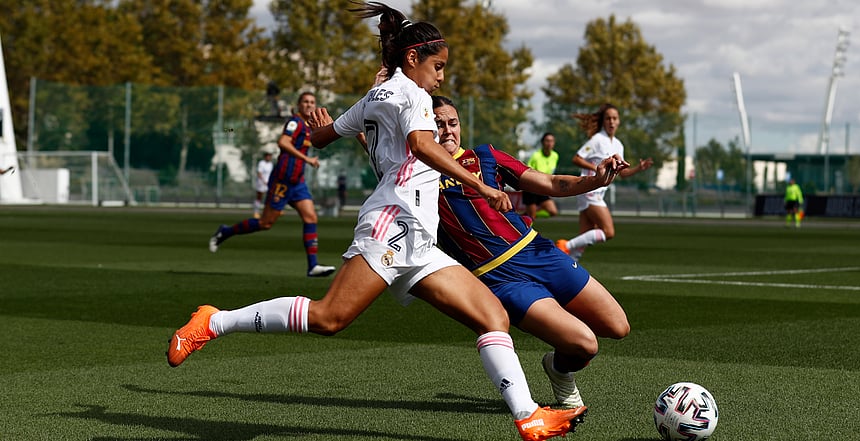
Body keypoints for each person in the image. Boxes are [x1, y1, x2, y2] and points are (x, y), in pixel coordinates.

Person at [167, 4, 585, 440]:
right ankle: (214, 321)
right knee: (330, 317)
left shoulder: (378, 94)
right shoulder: (412, 95)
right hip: (394, 221)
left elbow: (323, 137)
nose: (441, 77)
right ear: (412, 58)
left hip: (418, 237)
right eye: (438, 66)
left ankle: (528, 416)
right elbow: (423, 147)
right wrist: (480, 186)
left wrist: (322, 125)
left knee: (492, 315)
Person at [432, 95, 631, 410]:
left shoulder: (485, 156)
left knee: (618, 327)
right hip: (501, 278)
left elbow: (549, 182)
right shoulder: (416, 175)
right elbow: (383, 158)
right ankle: (561, 371)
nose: (447, 131)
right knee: (585, 343)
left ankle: (557, 364)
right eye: (437, 124)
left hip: (540, 252)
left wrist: (595, 178)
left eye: (452, 123)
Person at [208, 92, 336, 278]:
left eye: (312, 102)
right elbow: (283, 142)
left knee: (311, 218)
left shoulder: (309, 126)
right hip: (282, 180)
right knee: (265, 223)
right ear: (299, 105)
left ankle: (312, 266)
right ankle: (225, 231)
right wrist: (307, 158)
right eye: (305, 102)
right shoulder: (295, 122)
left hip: (298, 181)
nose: (309, 105)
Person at [555, 103, 654, 262]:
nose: (611, 121)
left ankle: (568, 270)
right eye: (608, 118)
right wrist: (596, 168)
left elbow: (623, 174)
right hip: (590, 191)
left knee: (584, 238)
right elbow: (577, 158)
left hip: (596, 192)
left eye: (614, 118)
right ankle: (565, 245)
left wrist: (638, 168)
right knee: (608, 232)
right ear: (603, 121)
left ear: (619, 121)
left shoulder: (618, 145)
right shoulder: (597, 140)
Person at [522, 133, 559, 219]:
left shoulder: (555, 155)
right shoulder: (536, 156)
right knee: (532, 217)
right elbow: (527, 171)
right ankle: (529, 215)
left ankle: (525, 215)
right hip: (531, 187)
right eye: (547, 141)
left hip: (543, 188)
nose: (549, 143)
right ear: (542, 143)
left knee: (553, 211)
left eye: (552, 141)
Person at [253, 150, 274, 219]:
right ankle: (256, 212)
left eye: (270, 156)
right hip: (261, 182)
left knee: (270, 197)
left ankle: (269, 212)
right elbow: (259, 173)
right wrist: (264, 181)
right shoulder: (261, 163)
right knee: (259, 197)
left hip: (269, 183)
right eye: (268, 156)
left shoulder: (271, 164)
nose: (269, 157)